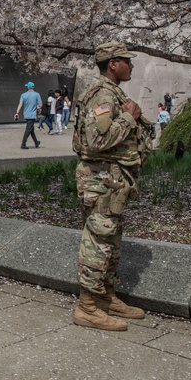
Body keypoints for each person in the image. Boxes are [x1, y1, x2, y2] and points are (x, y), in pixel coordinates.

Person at [72, 41, 153, 332]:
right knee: (99, 240)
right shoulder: (103, 95)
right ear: (113, 64)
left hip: (112, 179)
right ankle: (87, 307)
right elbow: (97, 141)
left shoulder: (112, 92)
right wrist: (129, 118)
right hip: (101, 179)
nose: (131, 66)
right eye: (127, 61)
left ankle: (105, 298)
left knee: (111, 241)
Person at [14, 81, 42, 149]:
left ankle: (36, 142)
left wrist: (17, 113)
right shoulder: (37, 94)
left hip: (26, 114)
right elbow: (40, 105)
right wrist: (37, 107)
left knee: (31, 129)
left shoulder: (23, 95)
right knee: (28, 129)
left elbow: (20, 104)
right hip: (32, 115)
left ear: (28, 87)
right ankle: (23, 144)